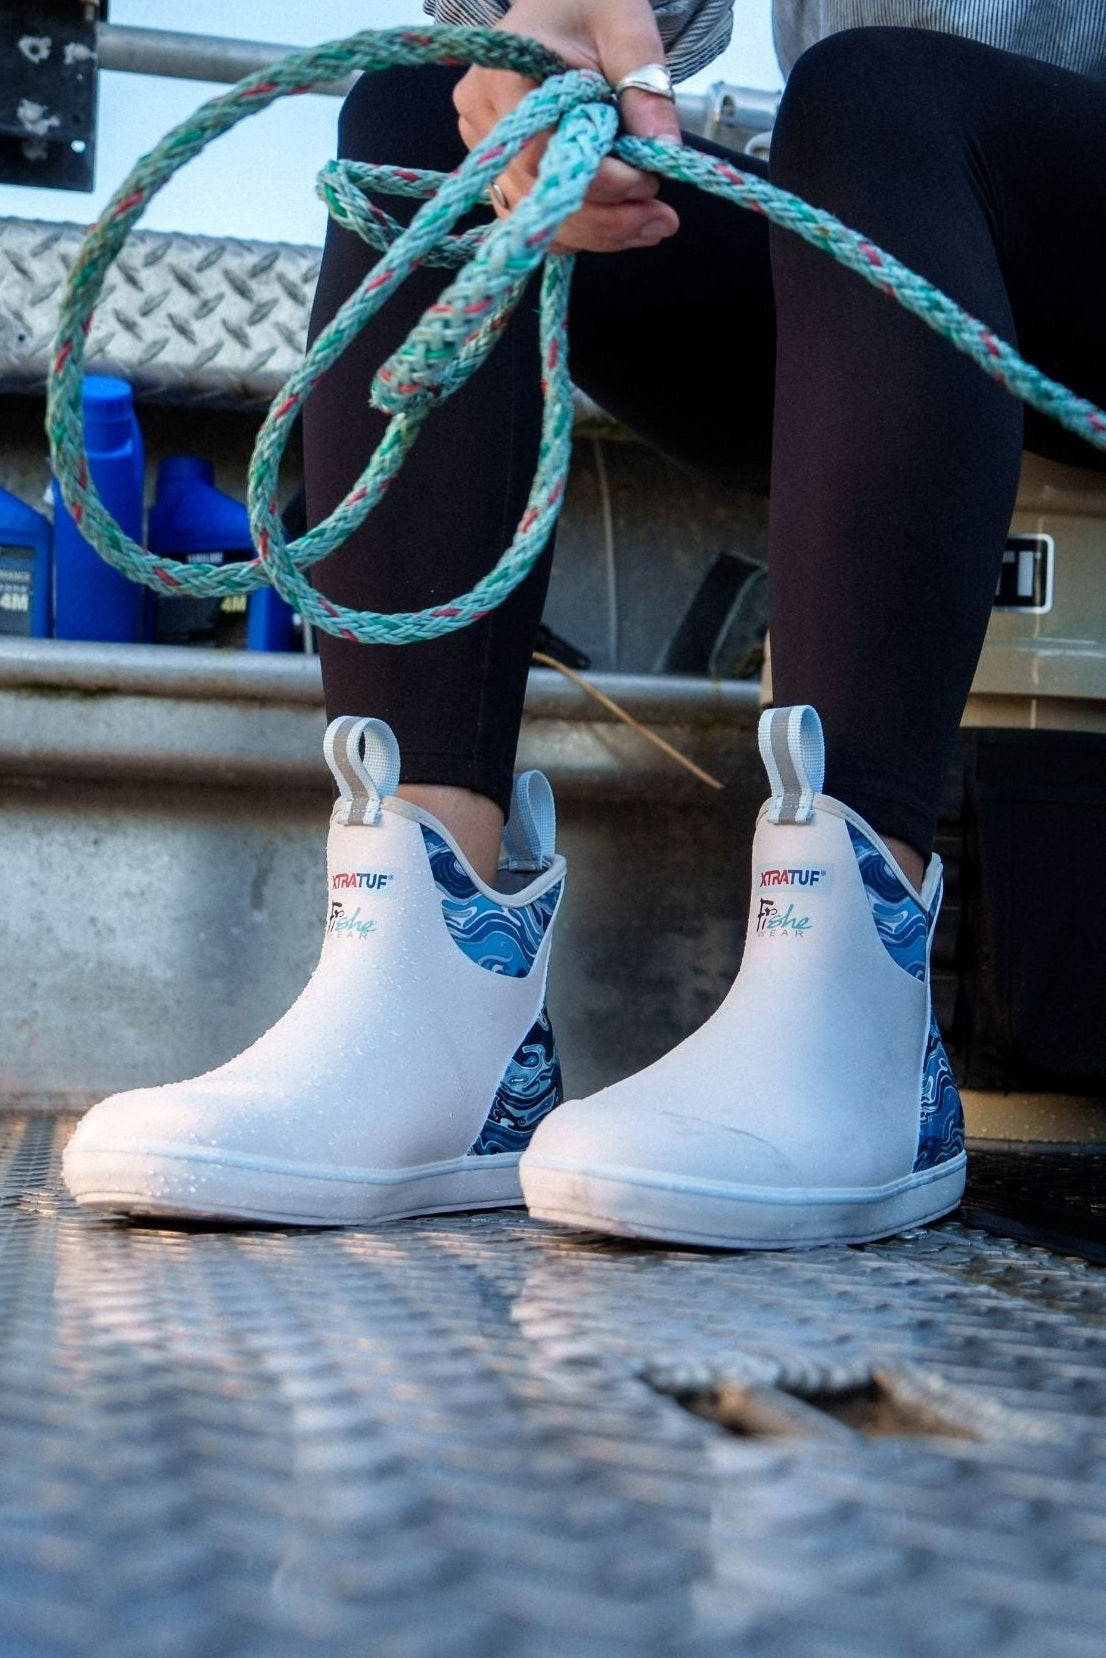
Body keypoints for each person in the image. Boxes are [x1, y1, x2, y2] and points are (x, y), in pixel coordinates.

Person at [62, 1, 1106, 1246]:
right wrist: (556, 34)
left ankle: (856, 1011)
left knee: (877, 96)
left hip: (985, 185)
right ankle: (432, 1004)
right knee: (432, 108)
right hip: (889, 227)